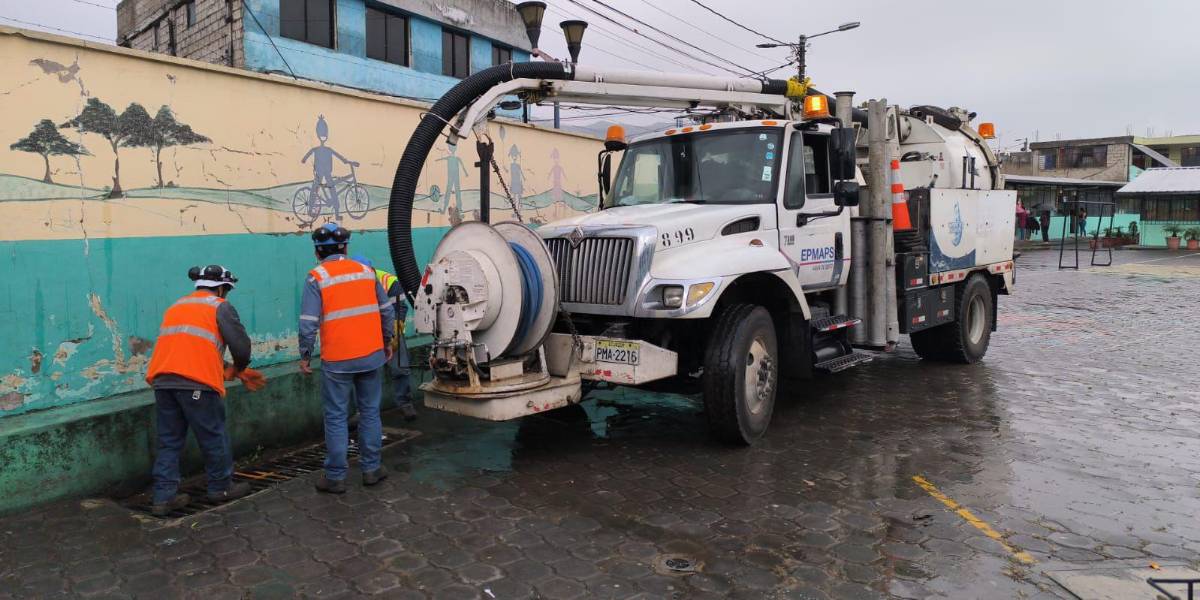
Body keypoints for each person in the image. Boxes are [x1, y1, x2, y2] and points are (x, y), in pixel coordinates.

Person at [145, 265, 266, 516]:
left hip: (163, 381)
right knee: (213, 436)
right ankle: (221, 488)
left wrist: (231, 369)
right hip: (197, 384)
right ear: (222, 288)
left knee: (169, 442)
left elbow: (192, 347)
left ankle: (163, 497)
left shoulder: (177, 306)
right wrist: (241, 367)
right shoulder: (219, 306)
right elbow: (241, 347)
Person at [299, 223, 395, 494]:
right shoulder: (366, 272)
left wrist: (305, 355)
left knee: (337, 417)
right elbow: (386, 311)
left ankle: (335, 477)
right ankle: (372, 469)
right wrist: (386, 342)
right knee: (370, 412)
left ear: (318, 251)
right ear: (345, 247)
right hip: (371, 356)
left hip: (338, 361)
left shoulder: (315, 277)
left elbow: (308, 323)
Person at [352, 254, 416, 421]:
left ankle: (405, 403)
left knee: (400, 367)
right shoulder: (351, 283)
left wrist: (393, 332)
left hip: (390, 327)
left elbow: (400, 309)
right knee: (363, 372)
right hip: (365, 331)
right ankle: (362, 411)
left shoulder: (389, 281)